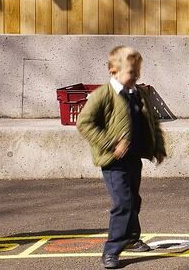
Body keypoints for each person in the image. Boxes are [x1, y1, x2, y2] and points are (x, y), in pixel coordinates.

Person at [75, 46, 168, 270]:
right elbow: (84, 123)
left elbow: (151, 122)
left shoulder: (139, 93)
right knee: (122, 203)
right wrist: (111, 143)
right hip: (113, 160)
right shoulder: (103, 95)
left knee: (133, 200)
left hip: (133, 156)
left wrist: (158, 147)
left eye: (137, 72)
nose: (135, 76)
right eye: (130, 72)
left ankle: (133, 238)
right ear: (113, 71)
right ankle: (111, 250)